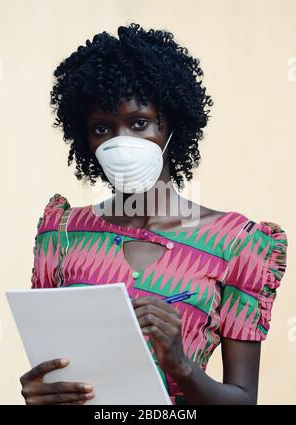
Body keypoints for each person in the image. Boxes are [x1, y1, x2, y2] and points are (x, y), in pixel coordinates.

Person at [20, 23, 287, 405]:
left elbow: (243, 400)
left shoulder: (237, 244)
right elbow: (53, 372)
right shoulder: (61, 234)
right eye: (102, 128)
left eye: (139, 122)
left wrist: (181, 365)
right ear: (85, 139)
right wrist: (39, 393)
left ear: (172, 124)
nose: (120, 142)